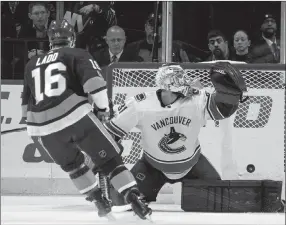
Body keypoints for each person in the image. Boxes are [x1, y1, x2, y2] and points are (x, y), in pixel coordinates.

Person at [21, 19, 151, 220]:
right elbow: (95, 85)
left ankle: (98, 199)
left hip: (41, 129)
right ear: (71, 38)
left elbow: (25, 105)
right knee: (110, 161)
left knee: (74, 167)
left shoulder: (31, 64)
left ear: (50, 41)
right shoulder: (77, 53)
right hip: (74, 116)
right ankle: (133, 197)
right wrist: (102, 110)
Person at [104, 62, 247, 207]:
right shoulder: (140, 105)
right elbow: (110, 133)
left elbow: (223, 110)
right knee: (120, 201)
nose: (186, 82)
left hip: (193, 165)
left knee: (221, 201)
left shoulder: (196, 99)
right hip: (152, 167)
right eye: (180, 79)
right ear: (168, 85)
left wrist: (229, 91)